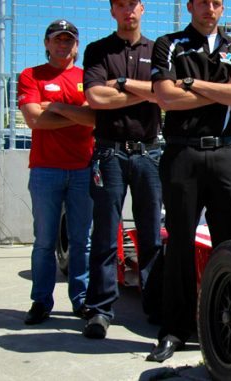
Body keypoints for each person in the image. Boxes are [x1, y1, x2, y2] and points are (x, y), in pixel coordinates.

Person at [148, 0, 231, 362]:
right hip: (182, 155)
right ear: (190, 5)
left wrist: (193, 84)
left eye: (216, 2)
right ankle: (175, 329)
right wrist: (221, 86)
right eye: (202, 2)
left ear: (222, 7)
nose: (209, 8)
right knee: (179, 242)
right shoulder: (168, 44)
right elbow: (165, 97)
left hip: (227, 154)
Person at [81, 0, 163, 339]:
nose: (127, 10)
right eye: (120, 4)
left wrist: (122, 84)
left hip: (149, 154)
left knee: (151, 236)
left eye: (133, 3)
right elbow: (96, 98)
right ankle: (100, 309)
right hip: (109, 154)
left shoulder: (159, 49)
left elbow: (165, 95)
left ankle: (156, 305)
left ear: (142, 9)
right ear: (112, 11)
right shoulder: (97, 50)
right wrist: (144, 91)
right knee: (105, 234)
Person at [17, 19, 95, 325]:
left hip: (83, 168)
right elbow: (34, 120)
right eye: (57, 39)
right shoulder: (30, 75)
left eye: (69, 40)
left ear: (77, 45)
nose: (63, 44)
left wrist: (57, 108)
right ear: (47, 43)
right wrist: (77, 115)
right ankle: (41, 301)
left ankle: (81, 300)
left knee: (81, 240)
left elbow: (95, 118)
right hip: (45, 170)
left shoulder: (87, 76)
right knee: (45, 242)